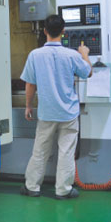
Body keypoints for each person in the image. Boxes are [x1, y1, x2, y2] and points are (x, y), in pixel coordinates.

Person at [20, 14, 92, 200]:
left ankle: (32, 187)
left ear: (44, 31)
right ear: (63, 31)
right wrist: (84, 54)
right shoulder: (72, 55)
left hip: (46, 112)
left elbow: (30, 84)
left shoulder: (35, 55)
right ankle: (63, 189)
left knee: (40, 151)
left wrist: (28, 106)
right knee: (66, 152)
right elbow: (88, 72)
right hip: (68, 113)